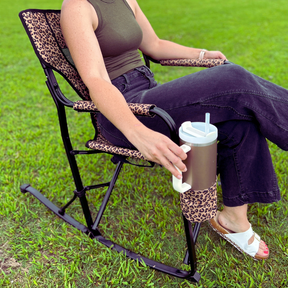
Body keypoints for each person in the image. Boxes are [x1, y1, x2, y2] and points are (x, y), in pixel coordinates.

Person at [60, 0, 288, 260]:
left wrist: (202, 54)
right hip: (122, 113)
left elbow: (155, 46)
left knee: (238, 116)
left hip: (149, 94)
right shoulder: (77, 6)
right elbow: (96, 81)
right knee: (234, 79)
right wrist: (138, 132)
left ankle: (233, 218)